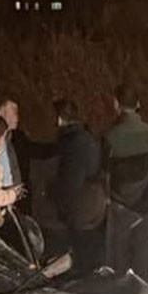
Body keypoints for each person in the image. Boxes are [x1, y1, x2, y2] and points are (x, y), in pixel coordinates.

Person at [102, 83, 148, 281]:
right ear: (138, 104)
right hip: (147, 209)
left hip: (120, 211)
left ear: (116, 104)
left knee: (118, 267)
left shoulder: (110, 138)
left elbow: (104, 176)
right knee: (143, 268)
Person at [50, 98, 105, 272]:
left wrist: (61, 203)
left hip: (81, 206)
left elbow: (71, 180)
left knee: (81, 253)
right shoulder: (86, 137)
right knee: (88, 248)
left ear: (59, 118)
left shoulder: (71, 142)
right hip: (93, 202)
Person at [0, 99, 58, 215]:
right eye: (13, 113)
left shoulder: (18, 138)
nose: (17, 117)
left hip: (19, 196)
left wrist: (60, 147)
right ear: (0, 114)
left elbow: (36, 150)